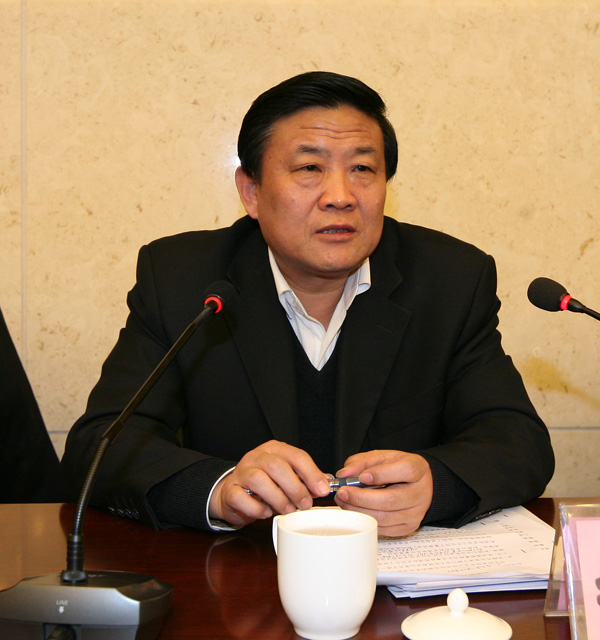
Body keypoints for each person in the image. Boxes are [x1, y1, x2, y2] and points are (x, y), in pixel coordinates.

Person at [62, 71, 554, 537]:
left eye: (363, 169)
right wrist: (218, 488)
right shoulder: (183, 279)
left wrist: (435, 485)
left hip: (397, 577)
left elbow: (517, 440)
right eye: (309, 168)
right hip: (238, 571)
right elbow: (101, 446)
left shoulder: (449, 279)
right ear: (251, 191)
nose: (340, 196)